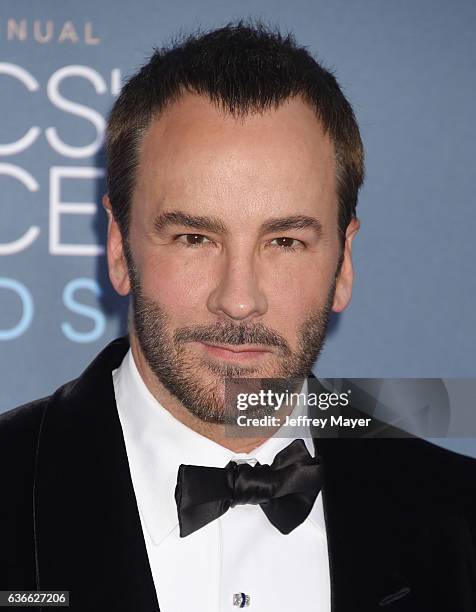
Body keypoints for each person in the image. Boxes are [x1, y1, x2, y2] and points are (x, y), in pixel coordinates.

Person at [1, 21, 475, 612]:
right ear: (120, 249)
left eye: (285, 242)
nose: (239, 299)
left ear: (344, 262)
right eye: (195, 237)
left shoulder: (458, 519)